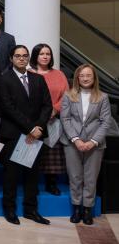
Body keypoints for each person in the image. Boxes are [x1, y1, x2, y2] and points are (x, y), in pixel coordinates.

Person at [0, 45, 52, 226]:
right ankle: (10, 210)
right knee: (11, 176)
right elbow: (8, 107)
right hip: (14, 134)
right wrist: (30, 128)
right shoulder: (4, 79)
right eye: (18, 56)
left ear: (29, 58)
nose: (21, 59)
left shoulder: (38, 79)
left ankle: (31, 211)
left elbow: (47, 106)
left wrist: (39, 127)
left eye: (25, 56)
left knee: (32, 176)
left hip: (36, 135)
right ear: (11, 58)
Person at [61, 64, 113, 225]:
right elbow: (65, 119)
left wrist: (92, 141)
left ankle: (87, 209)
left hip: (95, 145)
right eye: (82, 75)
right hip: (72, 143)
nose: (85, 78)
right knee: (75, 177)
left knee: (90, 179)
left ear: (94, 78)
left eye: (88, 75)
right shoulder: (68, 95)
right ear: (77, 77)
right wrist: (75, 139)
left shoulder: (102, 97)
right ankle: (77, 209)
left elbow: (106, 122)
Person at [29, 43, 69, 195]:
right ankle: (31, 185)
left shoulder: (59, 74)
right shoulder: (28, 73)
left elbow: (67, 95)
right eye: (41, 54)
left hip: (53, 119)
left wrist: (55, 109)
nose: (45, 56)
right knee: (31, 151)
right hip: (34, 120)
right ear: (35, 56)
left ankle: (51, 183)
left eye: (48, 54)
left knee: (52, 154)